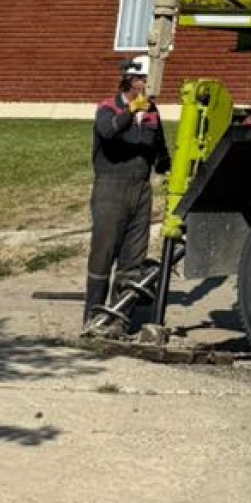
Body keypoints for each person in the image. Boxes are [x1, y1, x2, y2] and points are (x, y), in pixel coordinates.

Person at [84, 56, 169, 333]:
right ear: (132, 81)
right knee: (103, 254)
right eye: (145, 79)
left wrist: (171, 168)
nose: (149, 84)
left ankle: (119, 320)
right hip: (111, 186)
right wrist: (130, 112)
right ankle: (93, 317)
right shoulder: (108, 108)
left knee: (133, 257)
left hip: (141, 189)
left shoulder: (154, 113)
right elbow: (107, 133)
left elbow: (161, 152)